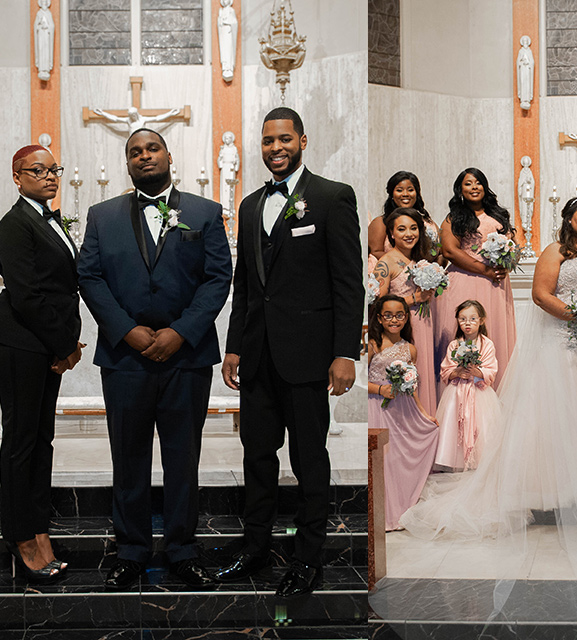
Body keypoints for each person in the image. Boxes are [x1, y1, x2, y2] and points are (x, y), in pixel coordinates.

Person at [395, 195, 577, 629]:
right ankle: (559, 482)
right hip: (566, 345)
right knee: (563, 416)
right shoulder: (556, 252)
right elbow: (540, 294)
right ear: (569, 219)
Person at [217, 107, 364, 597]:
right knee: (257, 456)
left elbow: (349, 283)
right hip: (256, 355)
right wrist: (234, 345)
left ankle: (307, 558)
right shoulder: (250, 203)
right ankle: (254, 549)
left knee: (308, 459)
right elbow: (246, 285)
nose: (275, 148)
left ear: (303, 139)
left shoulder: (331, 197)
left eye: (284, 139)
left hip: (307, 357)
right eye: (267, 141)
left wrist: (345, 352)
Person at [77, 129, 232, 589]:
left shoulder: (205, 213)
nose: (144, 156)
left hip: (186, 358)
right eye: (134, 152)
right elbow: (90, 277)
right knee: (128, 458)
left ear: (168, 155)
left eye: (152, 149)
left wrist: (181, 332)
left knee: (183, 458)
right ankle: (130, 551)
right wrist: (126, 330)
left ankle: (183, 550)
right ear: (127, 164)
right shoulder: (101, 216)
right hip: (126, 360)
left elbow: (217, 278)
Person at [0, 145, 82, 582]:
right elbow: (27, 295)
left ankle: (37, 527)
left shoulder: (49, 219)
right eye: (39, 170)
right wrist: (66, 343)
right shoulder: (14, 225)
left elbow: (63, 286)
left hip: (44, 345)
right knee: (20, 443)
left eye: (54, 170)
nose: (50, 177)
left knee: (41, 441)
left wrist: (63, 341)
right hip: (21, 346)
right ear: (17, 177)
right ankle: (19, 536)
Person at [435, 168, 516, 390]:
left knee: (494, 333)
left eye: (478, 182)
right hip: (465, 281)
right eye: (468, 183)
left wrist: (506, 265)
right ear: (460, 189)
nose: (474, 187)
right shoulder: (454, 218)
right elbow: (450, 251)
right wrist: (485, 270)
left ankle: (495, 395)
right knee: (464, 331)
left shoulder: (499, 216)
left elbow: (510, 247)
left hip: (495, 285)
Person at [367, 295, 439, 531]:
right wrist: (380, 389)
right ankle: (380, 514)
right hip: (377, 408)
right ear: (379, 318)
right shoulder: (373, 344)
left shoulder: (410, 349)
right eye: (388, 315)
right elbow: (360, 380)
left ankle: (399, 510)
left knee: (398, 460)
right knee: (382, 460)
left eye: (399, 315)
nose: (394, 320)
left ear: (406, 317)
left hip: (402, 411)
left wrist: (423, 413)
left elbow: (413, 385)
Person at [372, 208, 439, 413]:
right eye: (401, 229)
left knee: (425, 371)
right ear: (391, 233)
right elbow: (379, 303)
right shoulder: (386, 263)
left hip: (425, 322)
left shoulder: (421, 258)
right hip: (402, 327)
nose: (408, 234)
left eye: (413, 228)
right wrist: (414, 298)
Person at [434, 300, 500, 471]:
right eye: (462, 319)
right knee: (454, 426)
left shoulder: (487, 344)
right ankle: (456, 462)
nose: (467, 323)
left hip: (479, 392)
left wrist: (476, 372)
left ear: (481, 320)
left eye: (472, 319)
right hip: (457, 393)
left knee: (481, 426)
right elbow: (446, 370)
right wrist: (457, 372)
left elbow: (491, 370)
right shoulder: (454, 345)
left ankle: (478, 462)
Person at [368, 171, 441, 262]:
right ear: (392, 194)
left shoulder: (429, 223)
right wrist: (409, 266)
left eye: (410, 190)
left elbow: (440, 250)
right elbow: (375, 252)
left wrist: (432, 268)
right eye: (399, 190)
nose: (405, 194)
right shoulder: (381, 222)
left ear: (417, 193)